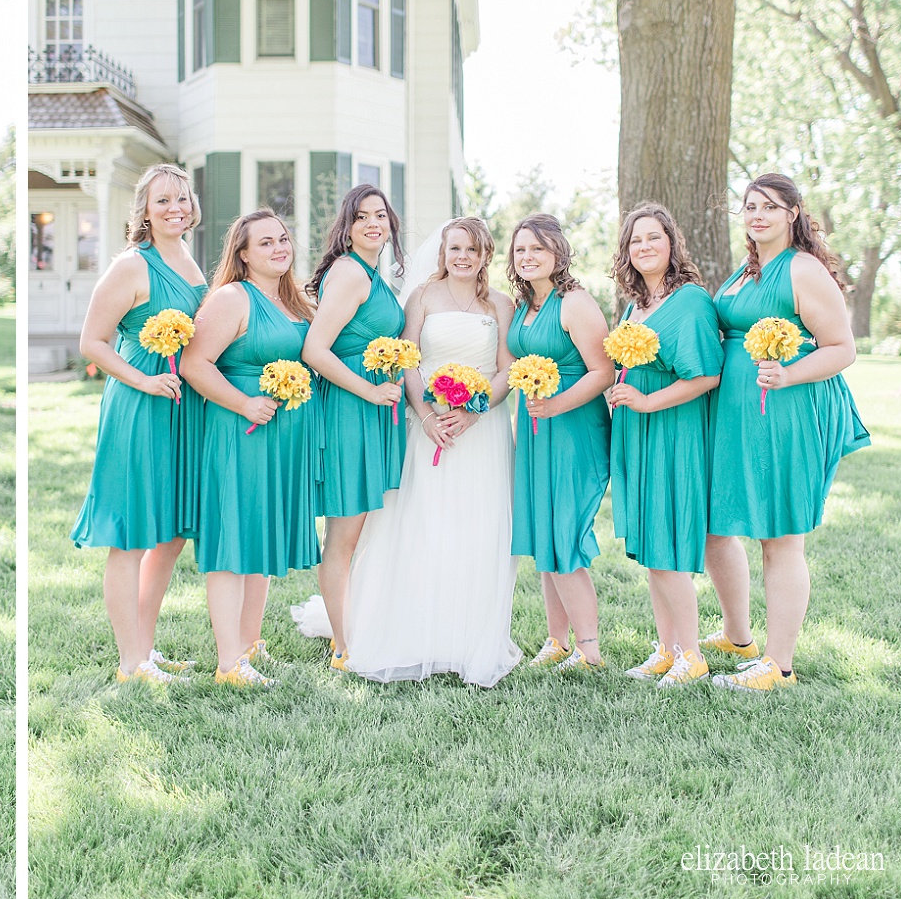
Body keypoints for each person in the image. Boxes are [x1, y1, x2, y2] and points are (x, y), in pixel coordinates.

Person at [295, 217, 522, 687]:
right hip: (427, 427)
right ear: (443, 252)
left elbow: (506, 369)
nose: (462, 256)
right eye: (454, 247)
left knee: (477, 528)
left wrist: (474, 412)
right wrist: (426, 415)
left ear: (486, 256)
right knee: (423, 522)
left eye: (472, 250)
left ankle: (467, 637)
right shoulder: (420, 297)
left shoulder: (501, 303)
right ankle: (417, 631)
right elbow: (409, 357)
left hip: (483, 430)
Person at [704, 173, 869, 692]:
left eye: (770, 207)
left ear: (793, 213)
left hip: (783, 414)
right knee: (716, 527)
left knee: (780, 537)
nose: (757, 216)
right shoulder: (746, 269)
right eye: (750, 207)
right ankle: (737, 637)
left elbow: (842, 348)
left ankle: (779, 665)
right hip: (734, 417)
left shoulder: (803, 270)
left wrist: (790, 374)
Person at [69, 164, 209, 684]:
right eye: (162, 201)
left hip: (184, 405)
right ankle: (131, 663)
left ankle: (144, 648)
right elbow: (92, 342)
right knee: (130, 535)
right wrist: (144, 381)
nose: (174, 208)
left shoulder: (189, 260)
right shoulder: (133, 265)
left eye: (181, 199)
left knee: (169, 535)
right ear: (144, 212)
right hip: (141, 402)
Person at [180, 210, 319, 688]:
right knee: (232, 542)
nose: (280, 248)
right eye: (266, 243)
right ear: (242, 254)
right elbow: (194, 364)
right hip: (239, 431)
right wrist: (244, 404)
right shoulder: (231, 298)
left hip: (281, 436)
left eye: (283, 239)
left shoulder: (291, 300)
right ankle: (228, 666)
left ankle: (248, 645)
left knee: (259, 539)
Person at [605, 203, 722, 688]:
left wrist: (647, 402)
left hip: (672, 433)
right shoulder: (637, 305)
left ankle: (691, 656)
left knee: (667, 546)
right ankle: (667, 648)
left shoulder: (690, 300)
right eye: (635, 240)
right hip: (638, 430)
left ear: (672, 243)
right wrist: (621, 391)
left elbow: (706, 374)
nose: (644, 247)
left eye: (654, 238)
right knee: (653, 547)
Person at [299, 184, 407, 671]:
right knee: (342, 537)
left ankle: (356, 627)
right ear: (346, 225)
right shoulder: (349, 273)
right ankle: (344, 646)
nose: (372, 223)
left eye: (379, 215)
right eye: (361, 216)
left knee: (360, 532)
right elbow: (316, 350)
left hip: (371, 409)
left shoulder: (369, 274)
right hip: (348, 410)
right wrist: (368, 391)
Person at [507, 213, 614, 672]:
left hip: (573, 428)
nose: (528, 257)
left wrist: (558, 404)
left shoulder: (575, 303)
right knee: (545, 537)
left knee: (565, 534)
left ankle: (588, 650)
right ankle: (556, 640)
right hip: (535, 429)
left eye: (537, 249)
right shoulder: (524, 305)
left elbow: (603, 371)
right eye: (520, 250)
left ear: (557, 254)